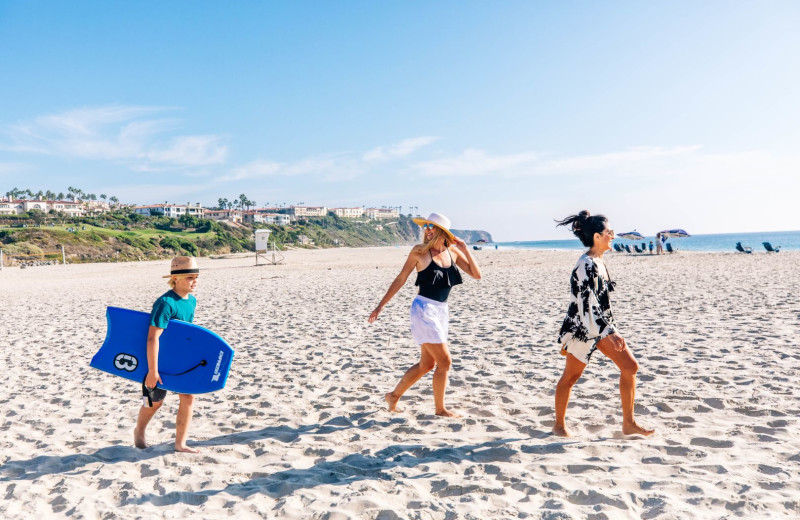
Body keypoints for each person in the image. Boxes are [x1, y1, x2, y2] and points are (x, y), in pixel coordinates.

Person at [368, 212, 481, 417]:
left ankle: (393, 396)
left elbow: (477, 274)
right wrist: (380, 306)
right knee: (445, 362)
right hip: (423, 310)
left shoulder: (452, 252)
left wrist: (465, 249)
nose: (427, 230)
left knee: (427, 365)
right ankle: (440, 409)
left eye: (432, 226)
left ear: (442, 232)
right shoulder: (419, 252)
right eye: (426, 226)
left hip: (441, 311)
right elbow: (401, 279)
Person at [553, 211, 654, 437]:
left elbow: (600, 303)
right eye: (609, 232)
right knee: (570, 377)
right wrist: (610, 331)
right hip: (582, 329)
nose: (613, 236)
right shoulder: (586, 264)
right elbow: (587, 304)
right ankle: (559, 427)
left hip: (601, 327)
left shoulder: (598, 261)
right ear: (598, 236)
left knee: (630, 367)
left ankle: (629, 424)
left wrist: (611, 328)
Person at [134, 256, 201, 452]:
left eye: (196, 276)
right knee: (155, 402)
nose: (195, 281)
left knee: (188, 397)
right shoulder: (165, 303)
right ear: (176, 278)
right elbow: (152, 338)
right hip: (160, 361)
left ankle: (180, 443)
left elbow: (185, 333)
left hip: (181, 359)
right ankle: (139, 431)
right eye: (190, 277)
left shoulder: (192, 300)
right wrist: (153, 371)